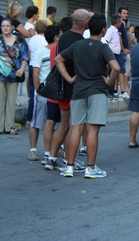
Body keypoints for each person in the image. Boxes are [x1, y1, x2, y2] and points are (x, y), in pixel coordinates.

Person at [55, 13, 120, 178]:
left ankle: (69, 166)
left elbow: (58, 59)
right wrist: (109, 81)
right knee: (92, 131)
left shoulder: (77, 45)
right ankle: (90, 168)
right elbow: (116, 67)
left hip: (78, 90)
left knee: (75, 128)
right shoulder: (103, 48)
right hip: (97, 90)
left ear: (88, 27)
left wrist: (69, 78)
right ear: (104, 30)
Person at [45, 9, 90, 171]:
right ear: (85, 23)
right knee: (74, 126)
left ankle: (51, 158)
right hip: (75, 88)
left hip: (61, 87)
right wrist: (71, 78)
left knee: (63, 125)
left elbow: (58, 61)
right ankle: (69, 159)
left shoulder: (62, 38)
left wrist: (65, 78)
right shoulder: (81, 41)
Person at [28, 25, 60, 161]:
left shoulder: (60, 52)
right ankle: (33, 150)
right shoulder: (41, 52)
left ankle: (55, 148)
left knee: (53, 122)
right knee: (36, 122)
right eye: (59, 34)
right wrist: (38, 91)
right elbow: (35, 74)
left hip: (55, 93)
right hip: (43, 92)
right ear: (55, 37)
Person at [0, 18, 28, 135]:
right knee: (0, 101)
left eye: (7, 26)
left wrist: (21, 69)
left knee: (11, 102)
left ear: (12, 27)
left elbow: (24, 57)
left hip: (14, 75)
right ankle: (0, 127)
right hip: (0, 75)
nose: (5, 28)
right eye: (3, 26)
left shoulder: (19, 40)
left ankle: (10, 126)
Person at [26, 20, 48, 128]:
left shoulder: (32, 39)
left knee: (32, 92)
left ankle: (29, 118)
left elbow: (29, 53)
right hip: (40, 66)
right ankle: (39, 118)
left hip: (31, 65)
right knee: (38, 91)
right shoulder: (44, 40)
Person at [104, 14, 122, 99]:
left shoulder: (116, 31)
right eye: (120, 22)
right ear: (117, 22)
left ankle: (111, 91)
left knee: (114, 74)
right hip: (112, 54)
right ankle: (108, 91)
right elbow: (105, 41)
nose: (121, 23)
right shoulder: (110, 30)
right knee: (111, 73)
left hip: (117, 54)